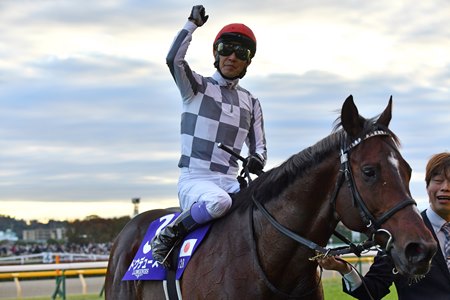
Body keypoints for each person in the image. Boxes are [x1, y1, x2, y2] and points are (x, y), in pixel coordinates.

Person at [151, 5, 267, 268]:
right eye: (226, 48)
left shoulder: (251, 101)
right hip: (196, 180)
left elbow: (259, 147)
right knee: (218, 202)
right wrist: (191, 24)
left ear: (248, 61)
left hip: (231, 181)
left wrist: (256, 160)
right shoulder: (196, 86)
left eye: (241, 53)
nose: (232, 57)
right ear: (216, 53)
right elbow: (173, 60)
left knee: (270, 205)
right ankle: (168, 235)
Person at [318, 152, 450, 300]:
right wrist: (344, 269)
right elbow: (372, 291)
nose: (445, 187)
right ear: (427, 186)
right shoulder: (403, 233)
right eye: (438, 180)